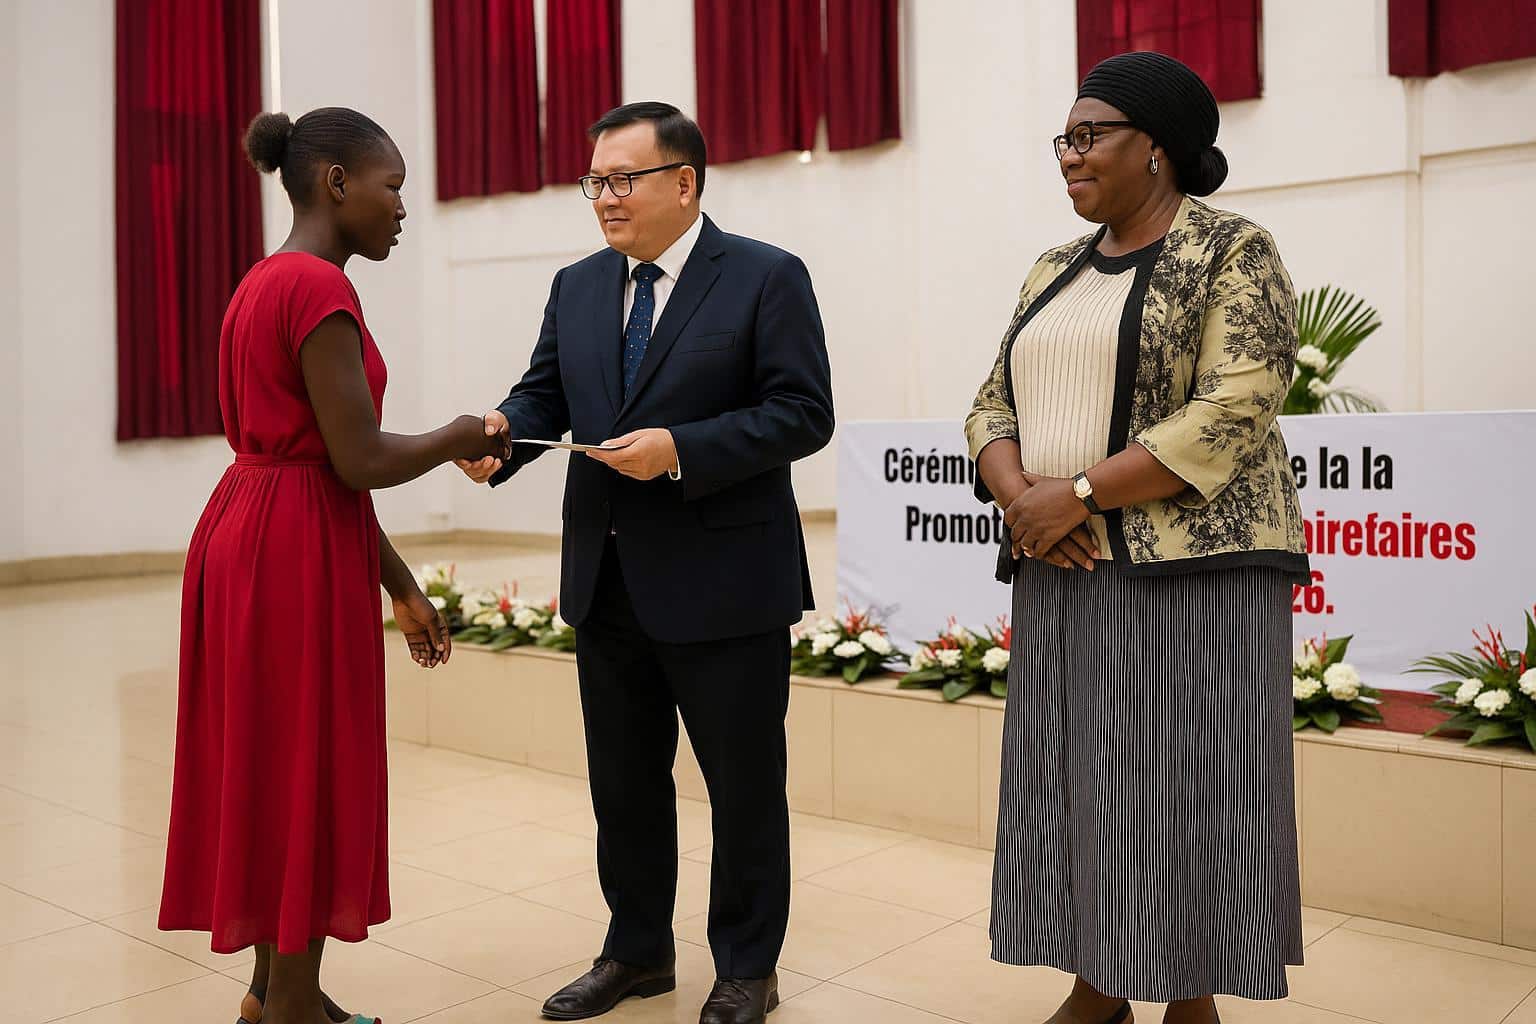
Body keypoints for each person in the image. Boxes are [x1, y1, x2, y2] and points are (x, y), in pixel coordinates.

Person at [456, 101, 833, 1024]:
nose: (604, 198)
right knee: (623, 787)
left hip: (727, 584)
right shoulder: (578, 285)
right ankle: (636, 951)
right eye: (594, 181)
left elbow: (802, 413)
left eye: (623, 178)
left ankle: (748, 966)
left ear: (685, 182)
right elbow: (544, 393)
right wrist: (503, 435)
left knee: (743, 790)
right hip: (608, 577)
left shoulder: (765, 276)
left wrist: (681, 450)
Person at [964, 53, 1310, 1024]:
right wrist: (1024, 499)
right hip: (1063, 563)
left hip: (1193, 571)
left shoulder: (1232, 250)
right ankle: (1101, 984)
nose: (1069, 156)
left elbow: (1236, 405)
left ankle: (1189, 999)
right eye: (1064, 139)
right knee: (1080, 786)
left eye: (1090, 136)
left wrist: (1078, 493)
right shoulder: (1054, 268)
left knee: (1183, 784)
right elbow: (991, 402)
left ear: (1155, 147)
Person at [158, 107, 508, 1024]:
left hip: (256, 526)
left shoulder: (263, 280)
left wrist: (399, 584)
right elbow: (358, 460)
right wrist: (459, 435)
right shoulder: (319, 290)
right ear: (336, 182)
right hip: (292, 549)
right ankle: (293, 1010)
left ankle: (274, 992)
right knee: (308, 767)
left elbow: (323, 465)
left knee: (273, 763)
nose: (403, 208)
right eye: (392, 187)